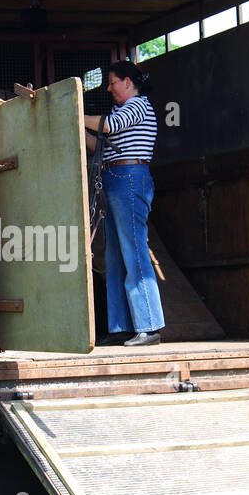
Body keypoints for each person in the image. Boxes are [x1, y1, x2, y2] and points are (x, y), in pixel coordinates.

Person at [83, 61, 165, 347]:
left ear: (128, 82)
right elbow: (100, 144)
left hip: (130, 178)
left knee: (134, 252)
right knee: (116, 257)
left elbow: (109, 126)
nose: (109, 88)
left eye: (113, 82)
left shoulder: (138, 106)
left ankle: (150, 325)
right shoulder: (123, 110)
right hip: (115, 178)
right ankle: (120, 327)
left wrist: (76, 115)